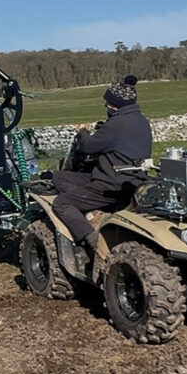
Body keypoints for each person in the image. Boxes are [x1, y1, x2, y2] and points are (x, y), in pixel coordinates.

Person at [50, 74, 152, 250]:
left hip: (110, 185)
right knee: (58, 178)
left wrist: (82, 132)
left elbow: (88, 147)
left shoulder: (117, 124)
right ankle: (90, 208)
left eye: (108, 102)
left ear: (115, 105)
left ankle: (92, 238)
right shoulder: (141, 120)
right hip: (130, 179)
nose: (106, 106)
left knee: (61, 203)